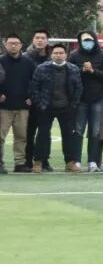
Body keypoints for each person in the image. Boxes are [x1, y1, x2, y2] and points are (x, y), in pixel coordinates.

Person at [30, 44, 82, 173]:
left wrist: (73, 105)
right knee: (42, 134)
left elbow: (78, 88)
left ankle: (70, 162)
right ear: (51, 55)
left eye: (61, 53)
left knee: (68, 135)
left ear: (66, 55)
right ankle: (39, 161)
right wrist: (39, 103)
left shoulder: (74, 69)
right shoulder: (41, 68)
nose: (58, 55)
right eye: (56, 53)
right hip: (46, 107)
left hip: (67, 108)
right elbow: (34, 87)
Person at [69, 31, 103, 172]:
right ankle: (76, 161)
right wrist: (82, 70)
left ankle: (93, 161)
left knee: (95, 131)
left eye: (90, 40)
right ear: (80, 41)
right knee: (78, 131)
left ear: (95, 40)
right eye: (85, 40)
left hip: (97, 99)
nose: (87, 43)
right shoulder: (74, 55)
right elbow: (70, 74)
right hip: (80, 99)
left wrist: (93, 71)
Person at [0, 33, 35, 174]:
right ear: (5, 44)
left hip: (22, 107)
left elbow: (35, 81)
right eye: (10, 43)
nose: (13, 46)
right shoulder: (0, 61)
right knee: (0, 137)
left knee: (21, 137)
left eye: (16, 43)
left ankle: (20, 163)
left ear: (21, 45)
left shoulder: (28, 62)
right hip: (3, 107)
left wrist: (31, 97)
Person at [22, 29, 50, 171]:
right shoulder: (25, 57)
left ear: (47, 40)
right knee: (29, 132)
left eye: (42, 38)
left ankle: (44, 161)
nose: (40, 40)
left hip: (47, 102)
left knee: (45, 133)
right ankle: (27, 161)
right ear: (33, 40)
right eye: (37, 37)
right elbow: (22, 79)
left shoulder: (52, 57)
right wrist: (27, 96)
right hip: (30, 102)